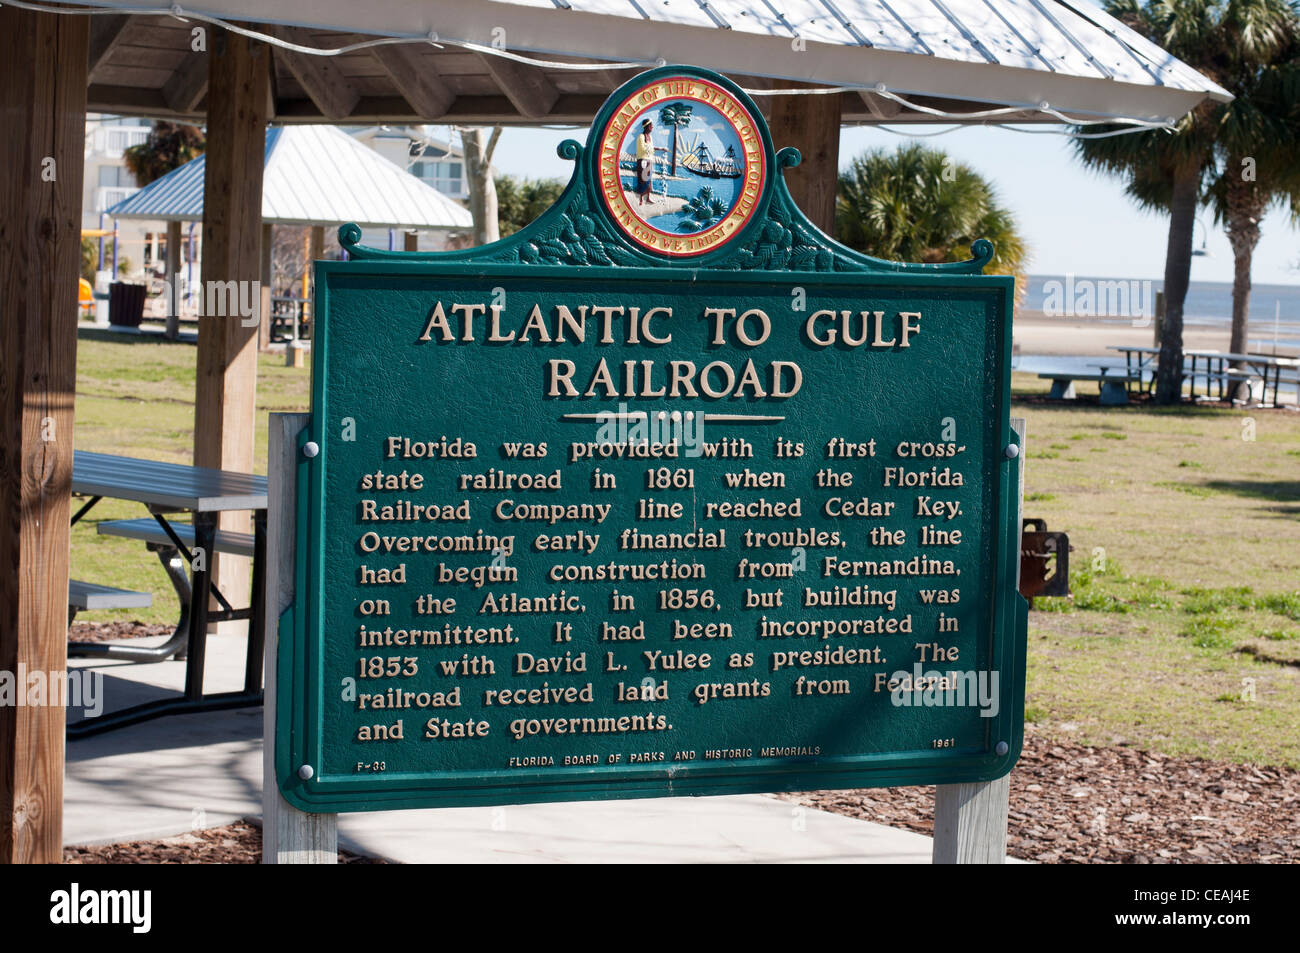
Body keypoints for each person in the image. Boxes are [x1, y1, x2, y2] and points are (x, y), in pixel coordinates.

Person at [635, 120, 654, 206]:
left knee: (649, 180)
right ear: (647, 126)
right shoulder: (641, 137)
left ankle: (648, 197)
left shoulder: (650, 137)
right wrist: (650, 149)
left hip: (649, 160)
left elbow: (652, 149)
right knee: (643, 179)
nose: (652, 127)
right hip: (643, 160)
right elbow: (641, 149)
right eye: (651, 125)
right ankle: (641, 199)